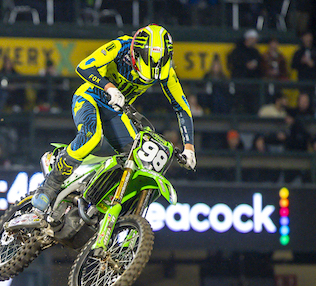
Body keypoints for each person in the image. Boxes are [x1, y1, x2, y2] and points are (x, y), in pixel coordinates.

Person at [21, 24, 195, 220]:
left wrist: (189, 147)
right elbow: (84, 66)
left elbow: (182, 108)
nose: (148, 75)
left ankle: (98, 198)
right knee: (92, 137)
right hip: (90, 97)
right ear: (136, 52)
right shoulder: (120, 46)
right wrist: (109, 87)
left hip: (117, 110)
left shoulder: (166, 72)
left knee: (136, 158)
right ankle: (49, 186)